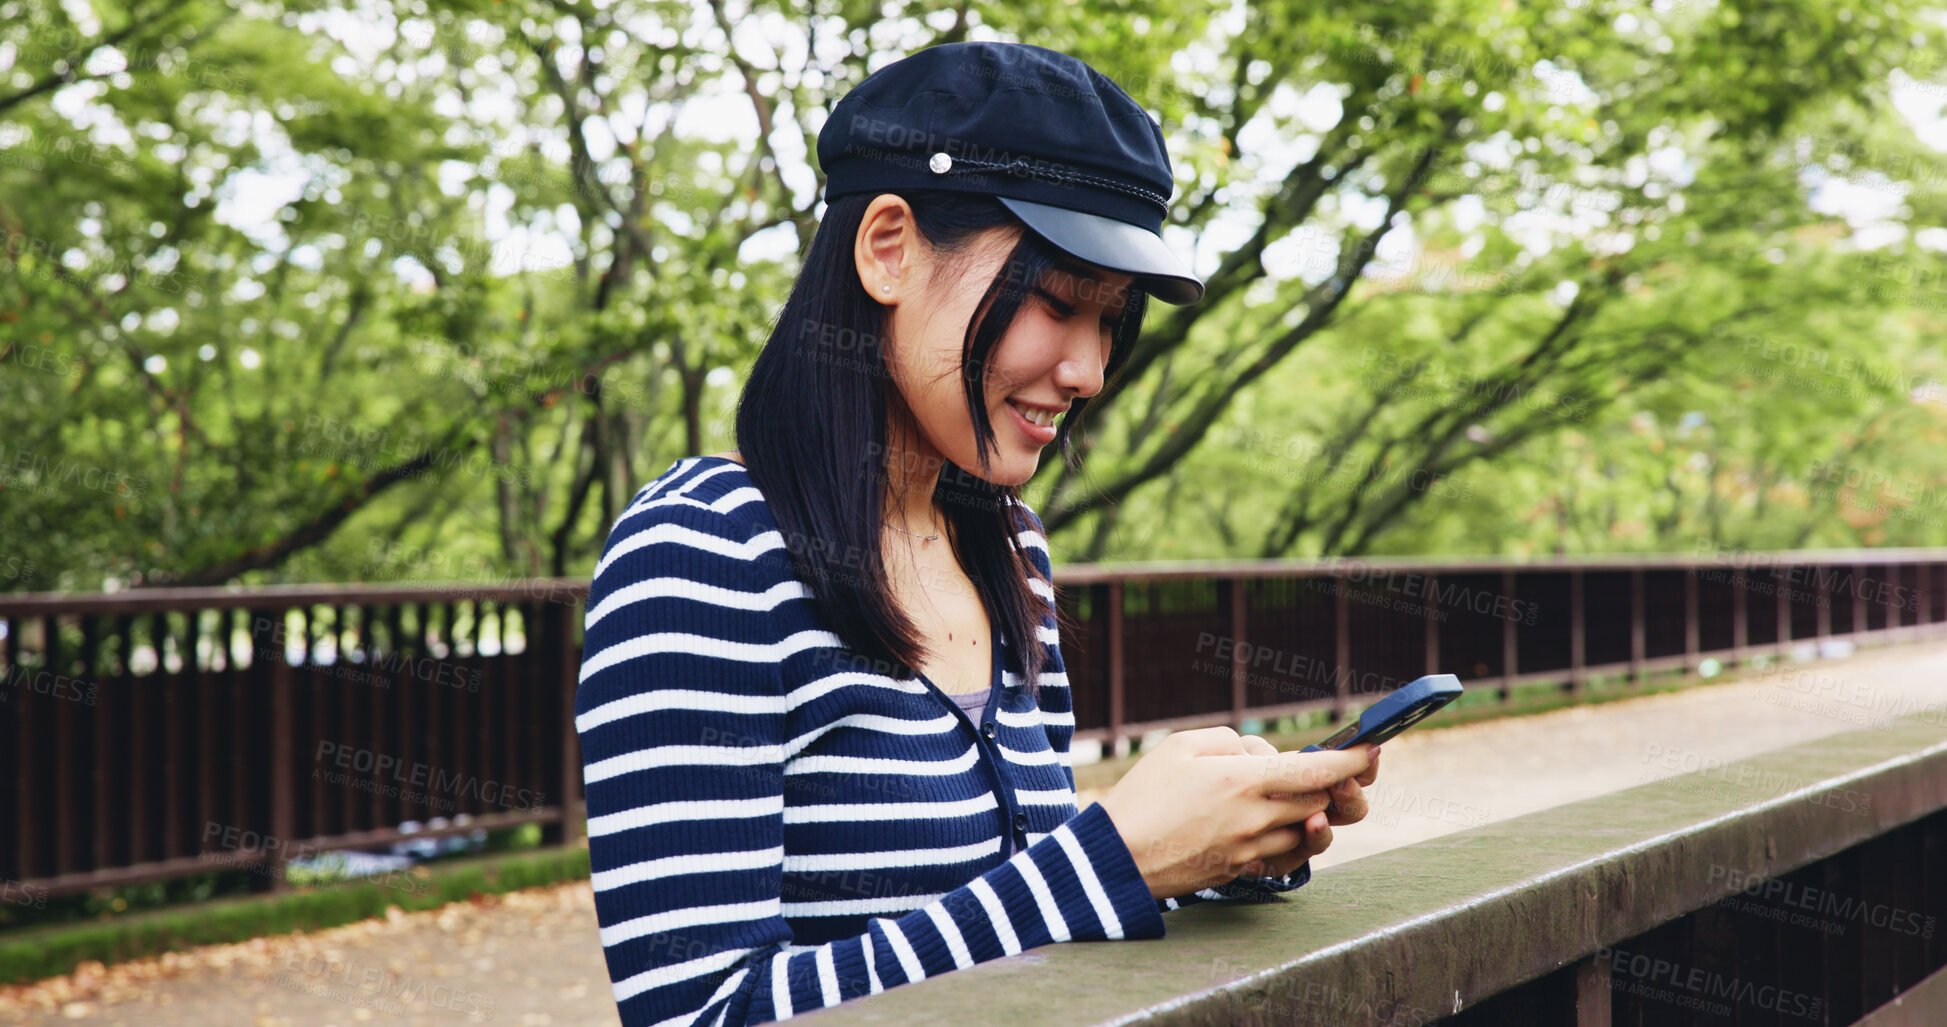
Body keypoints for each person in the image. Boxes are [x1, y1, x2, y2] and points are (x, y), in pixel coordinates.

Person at [574, 40, 1380, 1027]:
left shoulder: (1010, 548)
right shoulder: (703, 555)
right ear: (888, 246)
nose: (1087, 370)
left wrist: (1214, 853)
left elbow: (1006, 917)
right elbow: (697, 1011)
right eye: (1056, 302)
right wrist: (1111, 859)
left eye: (1110, 320)